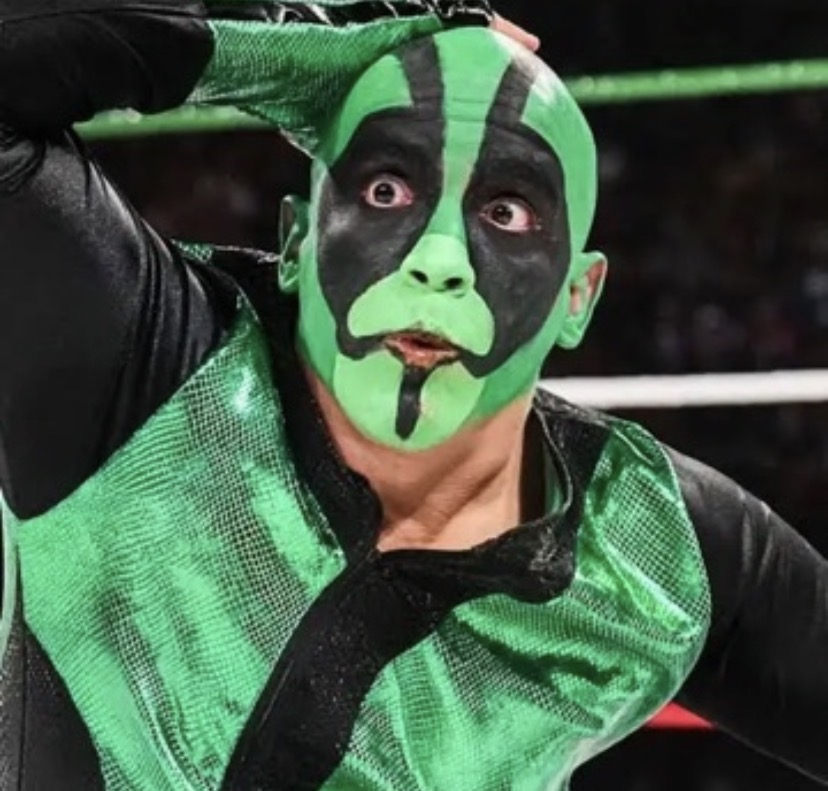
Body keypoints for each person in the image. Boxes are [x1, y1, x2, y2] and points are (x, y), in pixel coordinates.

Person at [0, 2, 826, 790]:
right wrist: (303, 39)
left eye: (506, 210)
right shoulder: (145, 365)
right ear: (297, 239)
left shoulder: (652, 552)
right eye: (386, 190)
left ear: (578, 297)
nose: (439, 260)